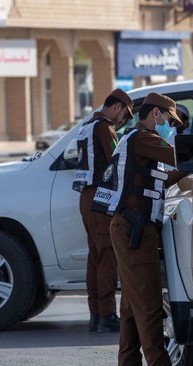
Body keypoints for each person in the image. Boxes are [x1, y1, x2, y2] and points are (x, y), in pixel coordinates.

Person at [91, 93, 193, 366]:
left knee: (133, 310)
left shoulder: (136, 139)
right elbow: (179, 155)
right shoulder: (143, 138)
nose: (171, 127)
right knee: (148, 306)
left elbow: (159, 178)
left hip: (131, 227)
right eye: (170, 120)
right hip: (135, 229)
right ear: (156, 114)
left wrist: (186, 169)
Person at [72, 88, 133, 333]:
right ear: (117, 107)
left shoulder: (87, 125)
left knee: (95, 256)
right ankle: (106, 314)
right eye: (125, 116)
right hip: (100, 196)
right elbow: (117, 161)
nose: (124, 122)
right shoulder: (104, 127)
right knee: (107, 254)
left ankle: (96, 314)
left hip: (86, 197)